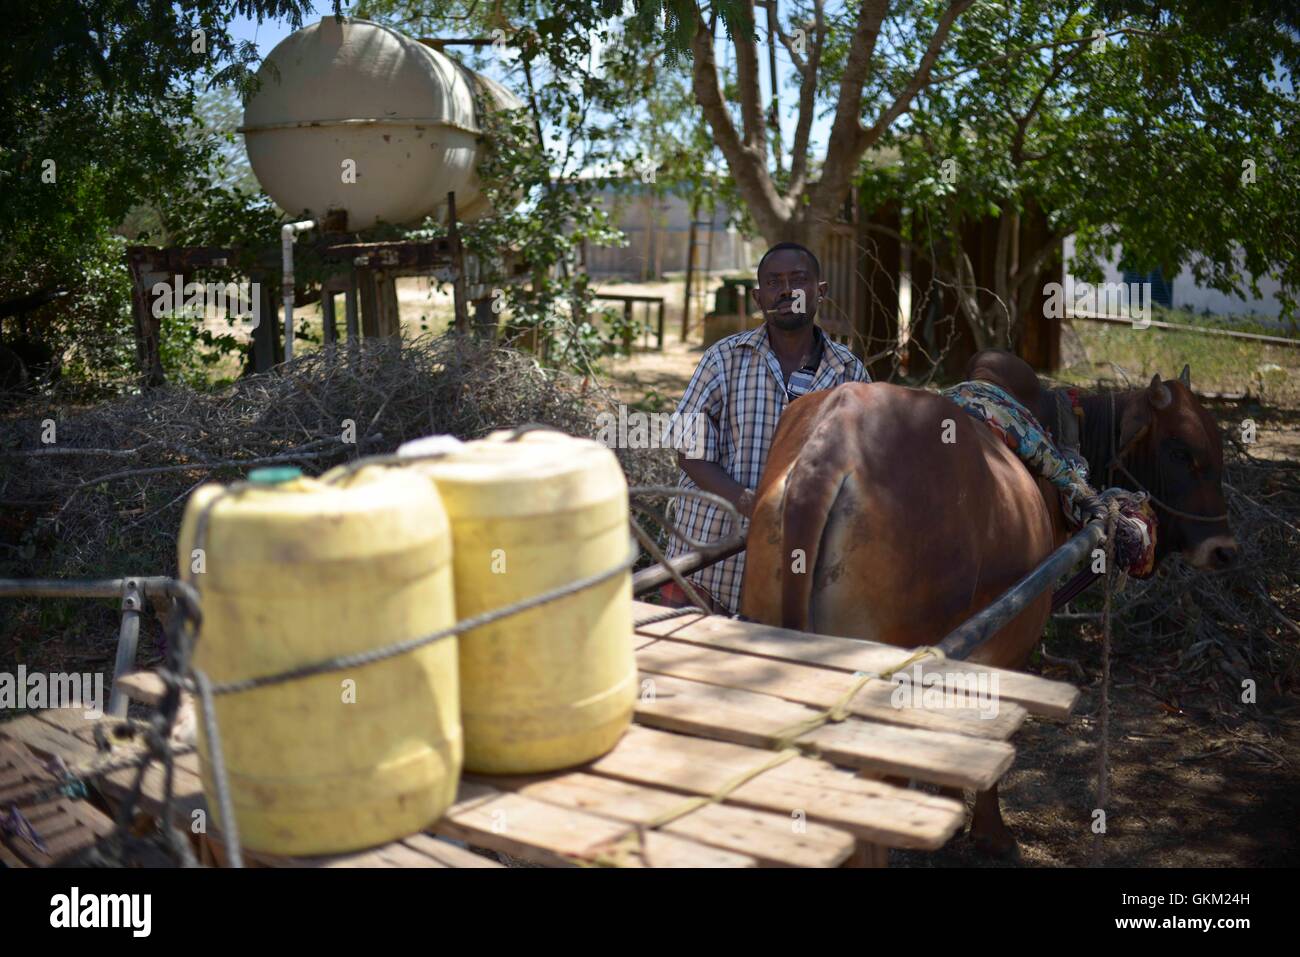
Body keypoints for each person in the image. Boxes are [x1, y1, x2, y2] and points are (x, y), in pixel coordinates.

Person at [660, 242, 870, 615]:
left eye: (798, 280)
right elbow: (687, 449)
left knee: (779, 660)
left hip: (805, 556)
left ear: (820, 292)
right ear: (759, 297)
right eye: (774, 282)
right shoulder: (724, 358)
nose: (786, 291)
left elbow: (864, 467)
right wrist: (750, 502)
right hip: (712, 550)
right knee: (691, 655)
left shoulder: (848, 373)